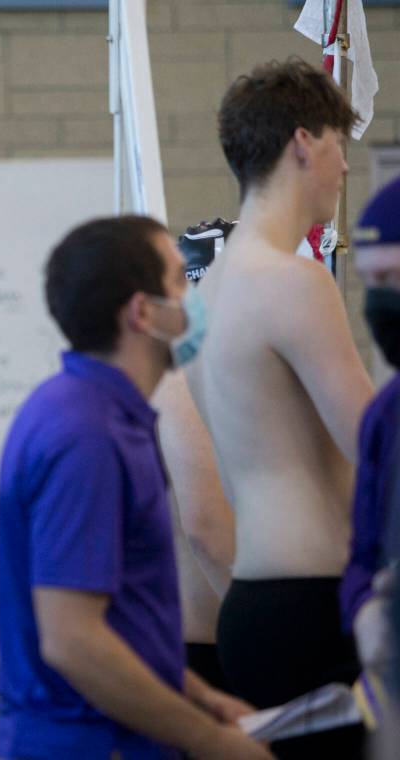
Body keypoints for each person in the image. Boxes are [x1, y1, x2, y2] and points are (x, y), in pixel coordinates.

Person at [0, 215, 271, 760]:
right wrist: (207, 740)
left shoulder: (106, 414)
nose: (195, 299)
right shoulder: (85, 435)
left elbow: (124, 619)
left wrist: (203, 699)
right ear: (142, 312)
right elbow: (74, 640)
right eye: (179, 283)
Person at [187, 59, 375, 756]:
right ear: (303, 142)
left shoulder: (203, 300)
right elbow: (373, 444)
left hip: (253, 606)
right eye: (339, 146)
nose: (345, 170)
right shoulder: (295, 281)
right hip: (313, 606)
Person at [155, 220, 238, 692]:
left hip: (213, 637)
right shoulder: (185, 377)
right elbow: (205, 527)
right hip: (209, 647)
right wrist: (263, 626)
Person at [340, 175, 400, 680]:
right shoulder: (385, 416)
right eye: (370, 282)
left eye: (392, 278)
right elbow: (362, 554)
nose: (379, 304)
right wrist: (363, 611)